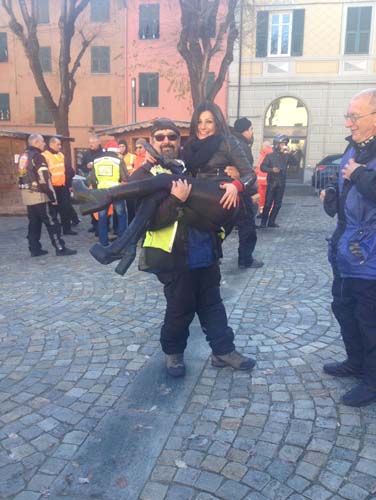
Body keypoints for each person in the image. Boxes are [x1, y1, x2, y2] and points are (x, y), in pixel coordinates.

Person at [97, 116, 255, 377]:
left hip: (204, 248)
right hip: (172, 255)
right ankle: (174, 355)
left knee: (213, 303)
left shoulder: (188, 166)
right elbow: (148, 221)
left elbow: (214, 186)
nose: (167, 142)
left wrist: (232, 175)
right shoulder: (143, 176)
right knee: (179, 308)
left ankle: (223, 351)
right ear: (152, 140)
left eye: (172, 137)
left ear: (179, 140)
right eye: (160, 137)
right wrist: (174, 200)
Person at [321, 88, 376, 407]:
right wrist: (331, 194)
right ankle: (355, 362)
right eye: (348, 116)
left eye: (354, 117)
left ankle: (372, 381)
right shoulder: (353, 149)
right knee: (344, 308)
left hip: (371, 255)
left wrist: (358, 175)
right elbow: (341, 184)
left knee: (369, 319)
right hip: (346, 250)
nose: (348, 123)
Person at [18, 134, 77, 257]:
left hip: (27, 195)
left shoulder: (23, 156)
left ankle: (34, 248)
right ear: (36, 143)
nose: (44, 144)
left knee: (34, 222)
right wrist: (52, 196)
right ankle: (60, 248)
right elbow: (44, 178)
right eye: (42, 142)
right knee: (52, 222)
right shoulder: (38, 157)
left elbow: (21, 175)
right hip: (39, 195)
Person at [231, 117, 263, 268]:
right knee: (248, 228)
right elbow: (247, 173)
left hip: (234, 191)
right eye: (251, 129)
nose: (252, 133)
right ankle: (245, 259)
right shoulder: (241, 145)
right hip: (243, 193)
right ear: (245, 130)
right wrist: (252, 193)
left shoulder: (232, 142)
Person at [86, 140, 129, 247]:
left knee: (102, 217)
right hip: (116, 191)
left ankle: (103, 242)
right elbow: (125, 177)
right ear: (116, 151)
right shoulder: (118, 161)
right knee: (121, 215)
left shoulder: (97, 161)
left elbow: (92, 179)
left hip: (101, 192)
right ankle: (121, 241)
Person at [259, 134, 297, 228]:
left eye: (285, 144)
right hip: (272, 182)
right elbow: (262, 167)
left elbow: (295, 163)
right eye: (282, 144)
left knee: (278, 204)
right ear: (277, 144)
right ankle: (263, 222)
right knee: (267, 203)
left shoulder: (286, 156)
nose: (284, 145)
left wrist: (289, 153)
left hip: (281, 182)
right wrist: (272, 170)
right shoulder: (270, 156)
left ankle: (271, 221)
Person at [42, 137, 78, 236]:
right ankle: (55, 230)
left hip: (63, 186)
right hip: (52, 187)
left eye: (60, 144)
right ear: (51, 144)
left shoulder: (61, 155)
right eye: (58, 144)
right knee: (53, 210)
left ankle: (67, 229)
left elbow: (67, 170)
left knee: (66, 208)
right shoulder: (45, 156)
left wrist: (68, 183)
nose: (60, 146)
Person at [80, 135, 104, 233]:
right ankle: (94, 224)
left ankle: (102, 224)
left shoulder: (103, 154)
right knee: (91, 204)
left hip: (100, 182)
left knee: (100, 204)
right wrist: (86, 166)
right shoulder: (86, 154)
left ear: (98, 142)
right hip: (89, 183)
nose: (91, 145)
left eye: (93, 142)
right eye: (89, 142)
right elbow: (81, 166)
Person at [255, 141, 273, 217]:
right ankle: (263, 212)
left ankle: (266, 212)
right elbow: (259, 167)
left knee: (266, 197)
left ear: (266, 146)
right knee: (264, 197)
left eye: (263, 146)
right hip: (262, 181)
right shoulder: (263, 154)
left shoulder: (267, 155)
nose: (262, 147)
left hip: (266, 181)